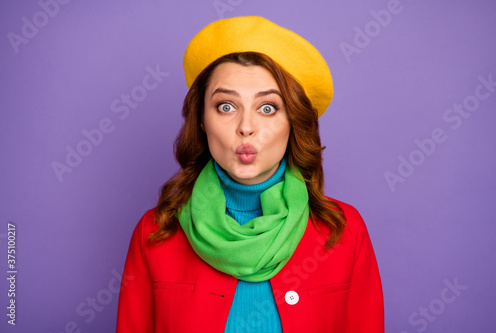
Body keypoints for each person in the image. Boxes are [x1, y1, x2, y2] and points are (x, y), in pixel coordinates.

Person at [116, 16, 384, 332]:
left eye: (268, 108)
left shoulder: (344, 230)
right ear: (202, 120)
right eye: (226, 106)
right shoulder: (155, 231)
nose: (246, 127)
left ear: (292, 123)